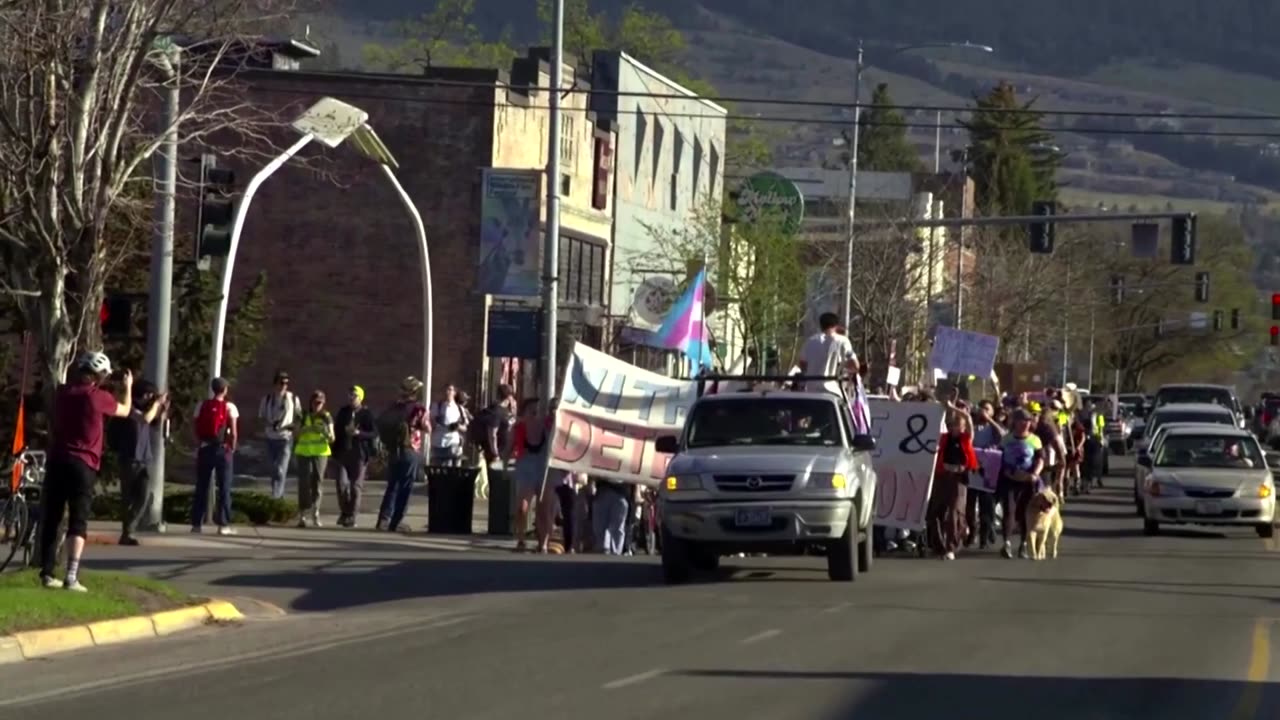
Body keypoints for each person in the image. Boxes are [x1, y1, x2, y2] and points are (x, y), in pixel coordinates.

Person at [39, 352, 133, 591]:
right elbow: (125, 410)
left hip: (57, 460)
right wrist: (128, 387)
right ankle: (71, 575)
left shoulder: (62, 393)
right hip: (83, 463)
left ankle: (47, 573)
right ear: (98, 375)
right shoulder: (98, 397)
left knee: (52, 518)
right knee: (78, 521)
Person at [108, 379, 169, 546]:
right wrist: (156, 404)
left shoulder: (146, 409)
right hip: (129, 458)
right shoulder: (130, 409)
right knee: (128, 497)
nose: (150, 398)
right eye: (149, 394)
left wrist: (161, 409)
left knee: (143, 495)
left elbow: (154, 423)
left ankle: (130, 528)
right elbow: (145, 419)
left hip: (143, 458)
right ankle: (127, 533)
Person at [376, 376, 429, 532]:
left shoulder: (394, 407)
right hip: (409, 449)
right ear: (415, 391)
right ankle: (396, 522)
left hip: (393, 450)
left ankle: (383, 519)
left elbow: (381, 422)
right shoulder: (418, 408)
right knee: (405, 486)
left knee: (392, 485)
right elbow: (427, 427)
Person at [929, 412, 979, 560]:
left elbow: (969, 420)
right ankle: (938, 545)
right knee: (934, 513)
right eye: (952, 424)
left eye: (958, 424)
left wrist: (955, 408)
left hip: (959, 479)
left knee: (953, 512)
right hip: (942, 476)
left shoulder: (966, 438)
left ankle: (951, 546)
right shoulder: (944, 438)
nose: (955, 427)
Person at [193, 377, 239, 535]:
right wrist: (232, 447)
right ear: (225, 390)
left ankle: (196, 524)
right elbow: (233, 432)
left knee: (201, 487)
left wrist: (199, 444)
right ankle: (223, 525)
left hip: (205, 448)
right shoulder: (229, 407)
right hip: (222, 450)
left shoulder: (202, 405)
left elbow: (196, 427)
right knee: (224, 487)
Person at [999, 408, 1046, 560]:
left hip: (1028, 481)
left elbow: (1040, 459)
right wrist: (1007, 472)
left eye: (1028, 421)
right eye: (1022, 421)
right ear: (1015, 422)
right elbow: (999, 458)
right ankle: (1006, 543)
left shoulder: (1035, 440)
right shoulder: (1006, 439)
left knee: (1025, 513)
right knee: (1009, 511)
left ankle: (1023, 545)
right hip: (1009, 480)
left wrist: (1035, 474)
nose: (1025, 424)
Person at [511, 398, 554, 552]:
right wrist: (503, 466)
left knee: (544, 509)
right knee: (522, 507)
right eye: (532, 411)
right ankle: (521, 539)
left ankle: (543, 544)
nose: (535, 415)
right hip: (526, 468)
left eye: (538, 411)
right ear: (525, 413)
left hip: (543, 469)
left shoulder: (548, 427)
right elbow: (509, 447)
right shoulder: (518, 428)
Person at [333, 385, 377, 527]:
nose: (351, 398)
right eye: (350, 395)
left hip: (359, 454)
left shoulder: (366, 414)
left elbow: (374, 433)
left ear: (360, 398)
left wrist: (359, 434)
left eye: (354, 396)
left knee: (355, 487)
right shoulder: (343, 412)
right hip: (342, 453)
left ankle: (352, 516)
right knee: (341, 484)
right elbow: (336, 430)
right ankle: (345, 512)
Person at [965, 400, 1005, 549]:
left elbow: (1002, 436)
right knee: (969, 505)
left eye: (987, 409)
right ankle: (972, 529)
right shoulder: (972, 425)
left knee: (986, 506)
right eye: (981, 408)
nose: (983, 411)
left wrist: (989, 419)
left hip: (988, 471)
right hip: (971, 468)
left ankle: (984, 535)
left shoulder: (993, 428)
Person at [257, 370, 301, 500]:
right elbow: (261, 417)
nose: (284, 386)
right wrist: (270, 424)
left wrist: (290, 427)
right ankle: (278, 496)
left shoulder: (292, 399)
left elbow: (299, 418)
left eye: (286, 383)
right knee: (274, 469)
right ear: (275, 384)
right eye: (281, 383)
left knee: (280, 469)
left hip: (285, 438)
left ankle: (275, 497)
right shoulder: (267, 399)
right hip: (271, 437)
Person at [294, 390, 335, 527]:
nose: (318, 405)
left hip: (320, 452)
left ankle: (315, 512)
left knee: (317, 481)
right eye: (315, 402)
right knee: (304, 482)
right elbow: (296, 433)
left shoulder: (326, 416)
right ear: (311, 402)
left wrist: (324, 432)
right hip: (304, 452)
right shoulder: (303, 415)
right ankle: (303, 514)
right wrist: (306, 429)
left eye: (320, 403)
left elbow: (332, 437)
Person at [798, 312, 858, 394]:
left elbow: (802, 364)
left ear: (821, 325)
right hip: (833, 392)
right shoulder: (842, 341)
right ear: (836, 326)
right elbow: (855, 365)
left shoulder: (810, 341)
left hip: (811, 393)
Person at [428, 384, 466, 467]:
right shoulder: (436, 406)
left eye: (450, 390)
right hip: (438, 442)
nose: (447, 392)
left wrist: (457, 426)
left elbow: (465, 427)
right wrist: (436, 423)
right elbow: (432, 422)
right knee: (437, 468)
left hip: (452, 443)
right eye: (446, 390)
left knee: (451, 469)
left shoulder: (459, 408)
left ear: (454, 393)